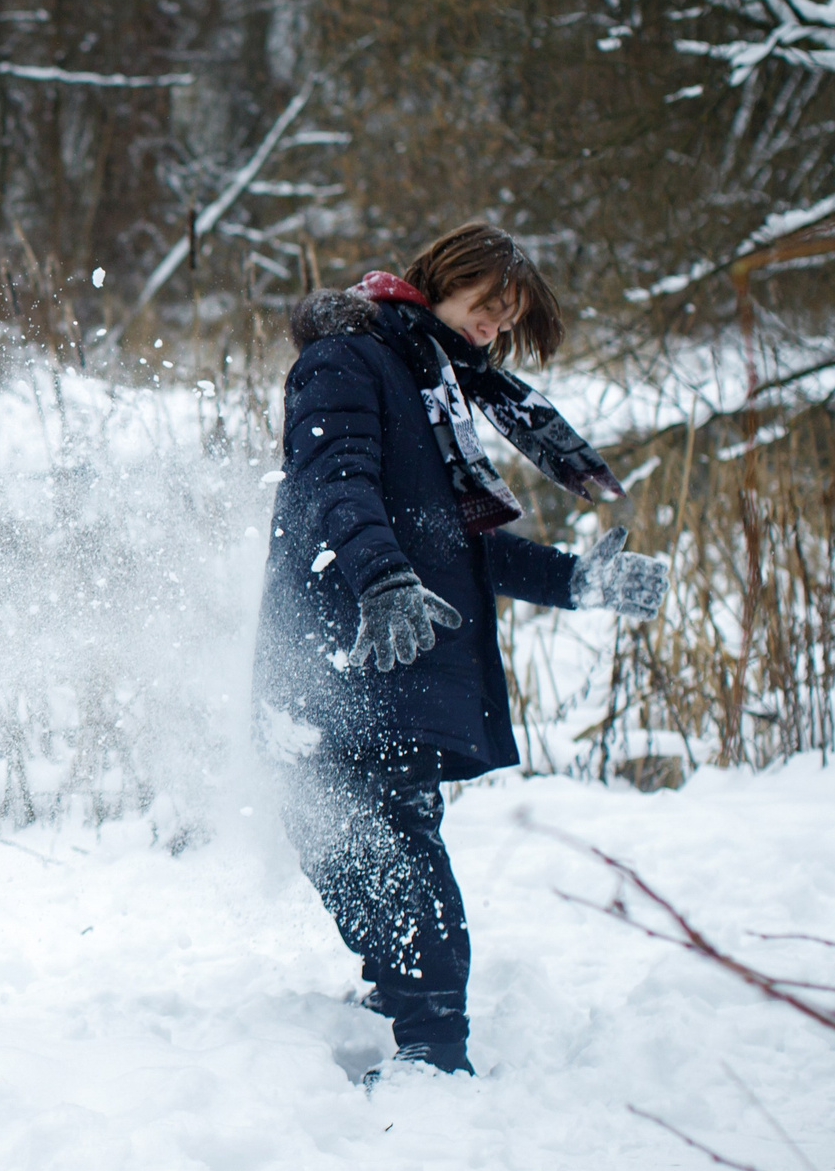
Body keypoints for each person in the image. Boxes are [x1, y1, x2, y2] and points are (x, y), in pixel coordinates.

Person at [254, 224, 669, 1079]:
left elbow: (452, 545)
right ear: (438, 283)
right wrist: (380, 579)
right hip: (346, 636)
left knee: (390, 838)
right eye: (485, 308)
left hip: (387, 650)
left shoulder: (428, 385)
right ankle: (405, 993)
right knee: (332, 831)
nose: (490, 332)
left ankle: (434, 1040)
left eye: (504, 321)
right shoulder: (353, 364)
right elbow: (337, 483)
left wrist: (577, 582)